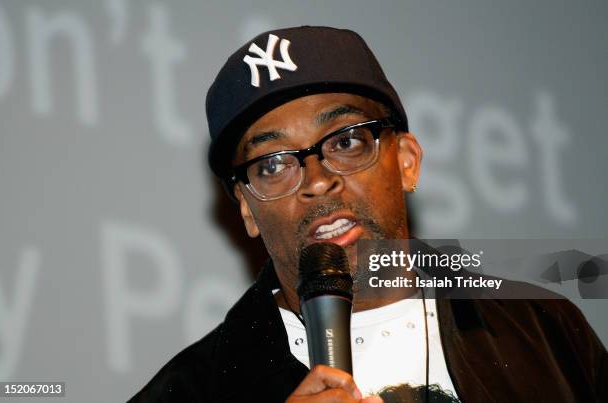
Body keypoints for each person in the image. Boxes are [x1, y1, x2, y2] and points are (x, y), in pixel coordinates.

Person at [130, 26, 607, 402]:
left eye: (344, 141)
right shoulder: (191, 390)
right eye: (273, 163)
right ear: (247, 210)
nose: (316, 181)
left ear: (406, 161)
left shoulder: (543, 330)